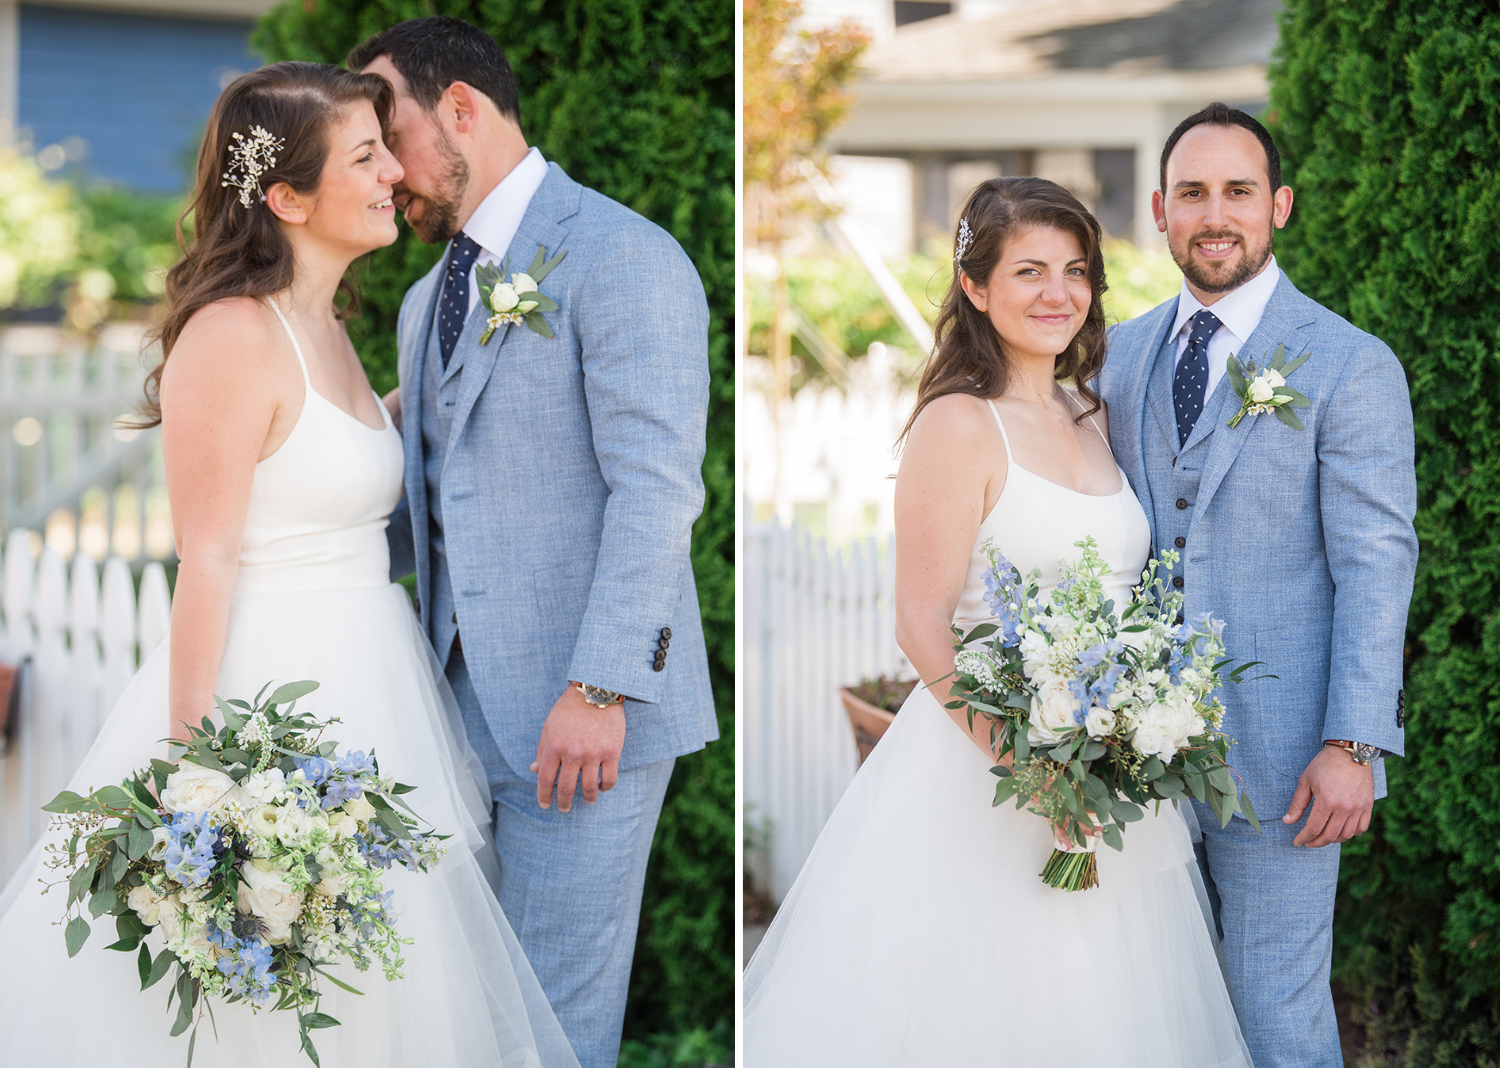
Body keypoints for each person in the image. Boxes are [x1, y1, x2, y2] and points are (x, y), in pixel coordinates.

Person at [0, 62, 580, 1067]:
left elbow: (353, 465)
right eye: (366, 155)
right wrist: (200, 780)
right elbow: (208, 558)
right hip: (270, 700)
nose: (397, 172)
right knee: (270, 995)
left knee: (377, 979)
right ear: (286, 197)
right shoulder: (231, 335)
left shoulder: (335, 327)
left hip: (375, 684)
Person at [743, 176, 1252, 1066]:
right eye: (1028, 271)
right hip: (988, 776)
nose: (1059, 294)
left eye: (1076, 270)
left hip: (1108, 774)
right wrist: (1031, 765)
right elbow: (920, 625)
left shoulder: (1092, 411)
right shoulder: (959, 425)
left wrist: (1128, 729)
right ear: (976, 287)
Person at [345, 18, 715, 1068]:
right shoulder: (426, 301)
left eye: (388, 136)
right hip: (444, 711)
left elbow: (656, 493)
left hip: (584, 721)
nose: (380, 173)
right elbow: (427, 497)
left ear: (462, 107)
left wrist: (599, 689)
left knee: (554, 1028)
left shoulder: (626, 255)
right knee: (459, 1018)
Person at [1097, 103, 1417, 1068]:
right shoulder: (1116, 356)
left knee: (1275, 1013)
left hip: (1284, 762)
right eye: (1193, 193)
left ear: (1278, 205)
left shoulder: (1353, 365)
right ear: (1159, 209)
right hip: (1127, 754)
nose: (1215, 213)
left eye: (1238, 190)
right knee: (1155, 1005)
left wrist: (1353, 741)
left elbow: (1376, 562)